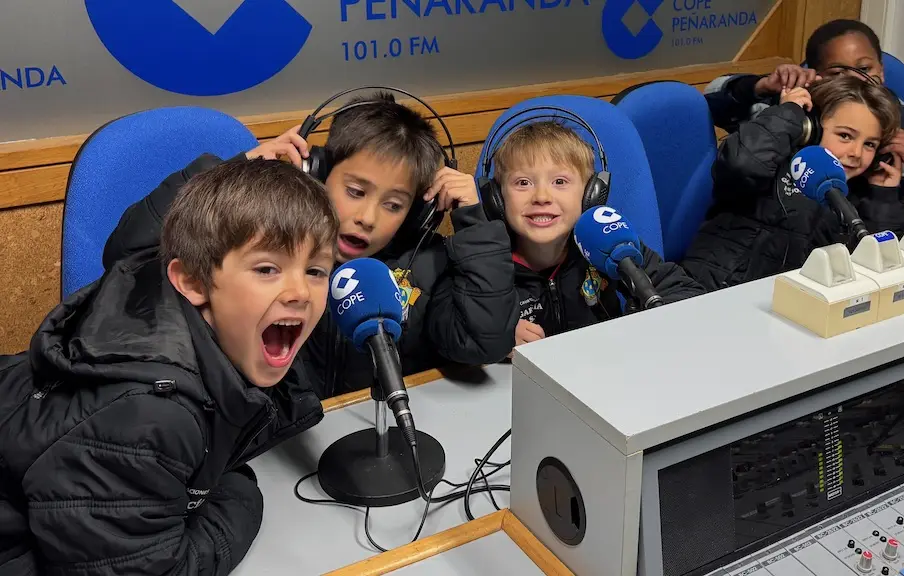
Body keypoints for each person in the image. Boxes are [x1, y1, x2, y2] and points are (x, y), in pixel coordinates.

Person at [0, 159, 339, 574]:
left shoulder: (196, 323)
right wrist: (237, 493)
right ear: (194, 282)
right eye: (267, 269)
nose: (301, 291)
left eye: (316, 270)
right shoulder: (146, 419)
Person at [106, 91, 518, 398]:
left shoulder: (427, 263)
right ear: (317, 175)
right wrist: (235, 172)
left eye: (393, 204)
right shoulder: (260, 244)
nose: (368, 217)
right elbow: (127, 255)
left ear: (417, 212)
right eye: (355, 191)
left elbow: (482, 343)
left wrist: (474, 225)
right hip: (272, 443)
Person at [703, 19, 904, 225]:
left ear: (881, 70)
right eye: (838, 73)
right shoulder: (796, 114)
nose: (857, 79)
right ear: (814, 75)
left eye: (865, 68)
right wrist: (760, 86)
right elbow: (711, 106)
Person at [488, 121, 705, 348]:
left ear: (592, 194)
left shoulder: (607, 242)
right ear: (496, 197)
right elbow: (455, 333)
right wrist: (495, 337)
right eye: (523, 183)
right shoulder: (486, 262)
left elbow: (684, 292)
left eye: (559, 182)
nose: (542, 196)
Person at [683, 75, 904, 291]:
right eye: (845, 136)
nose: (856, 153)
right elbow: (742, 164)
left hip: (788, 306)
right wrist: (788, 115)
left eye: (869, 145)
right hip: (713, 291)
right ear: (811, 129)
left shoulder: (853, 195)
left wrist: (882, 199)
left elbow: (872, 268)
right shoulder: (773, 162)